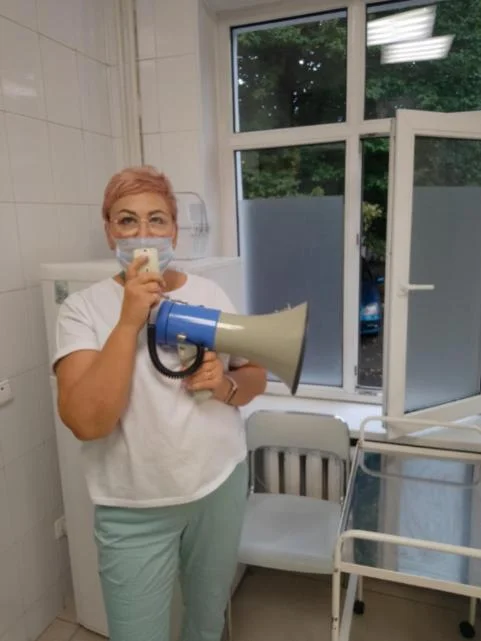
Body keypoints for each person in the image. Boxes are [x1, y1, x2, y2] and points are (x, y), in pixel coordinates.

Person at [53, 166, 267, 641]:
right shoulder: (81, 309)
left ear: (174, 229)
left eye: (156, 219)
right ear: (109, 230)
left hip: (219, 485)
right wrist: (129, 321)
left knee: (206, 623)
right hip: (134, 506)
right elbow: (87, 422)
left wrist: (225, 385)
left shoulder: (210, 293)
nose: (143, 234)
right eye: (127, 221)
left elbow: (255, 376)